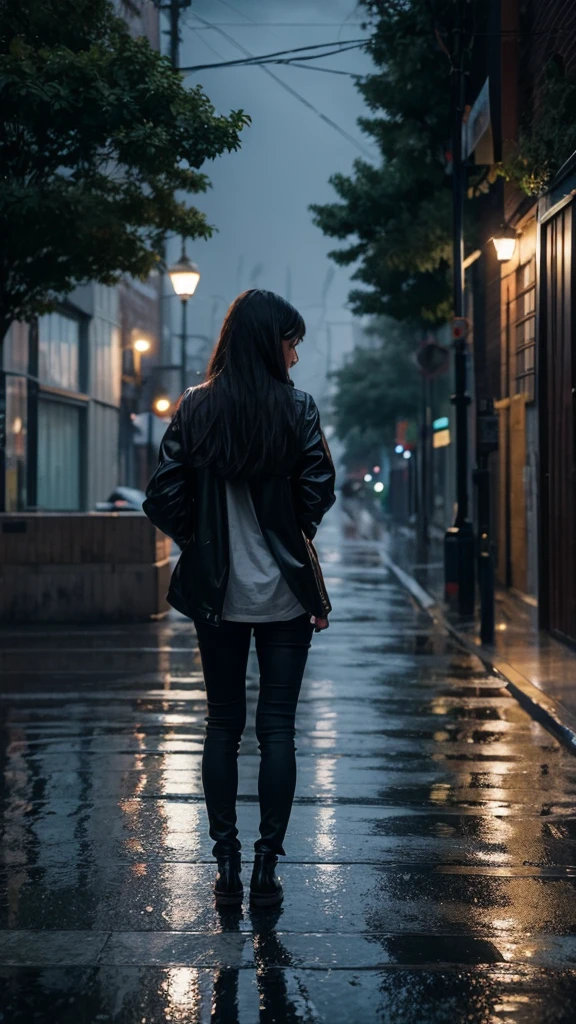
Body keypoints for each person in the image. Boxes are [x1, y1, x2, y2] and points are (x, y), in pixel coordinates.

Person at [143, 289, 336, 908]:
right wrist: (285, 532)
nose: (295, 356)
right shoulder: (298, 409)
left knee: (223, 725)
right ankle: (265, 867)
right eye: (291, 341)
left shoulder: (197, 408)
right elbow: (318, 491)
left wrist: (200, 540)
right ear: (267, 341)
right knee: (278, 729)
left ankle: (224, 862)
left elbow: (162, 494)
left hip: (217, 599)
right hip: (284, 598)